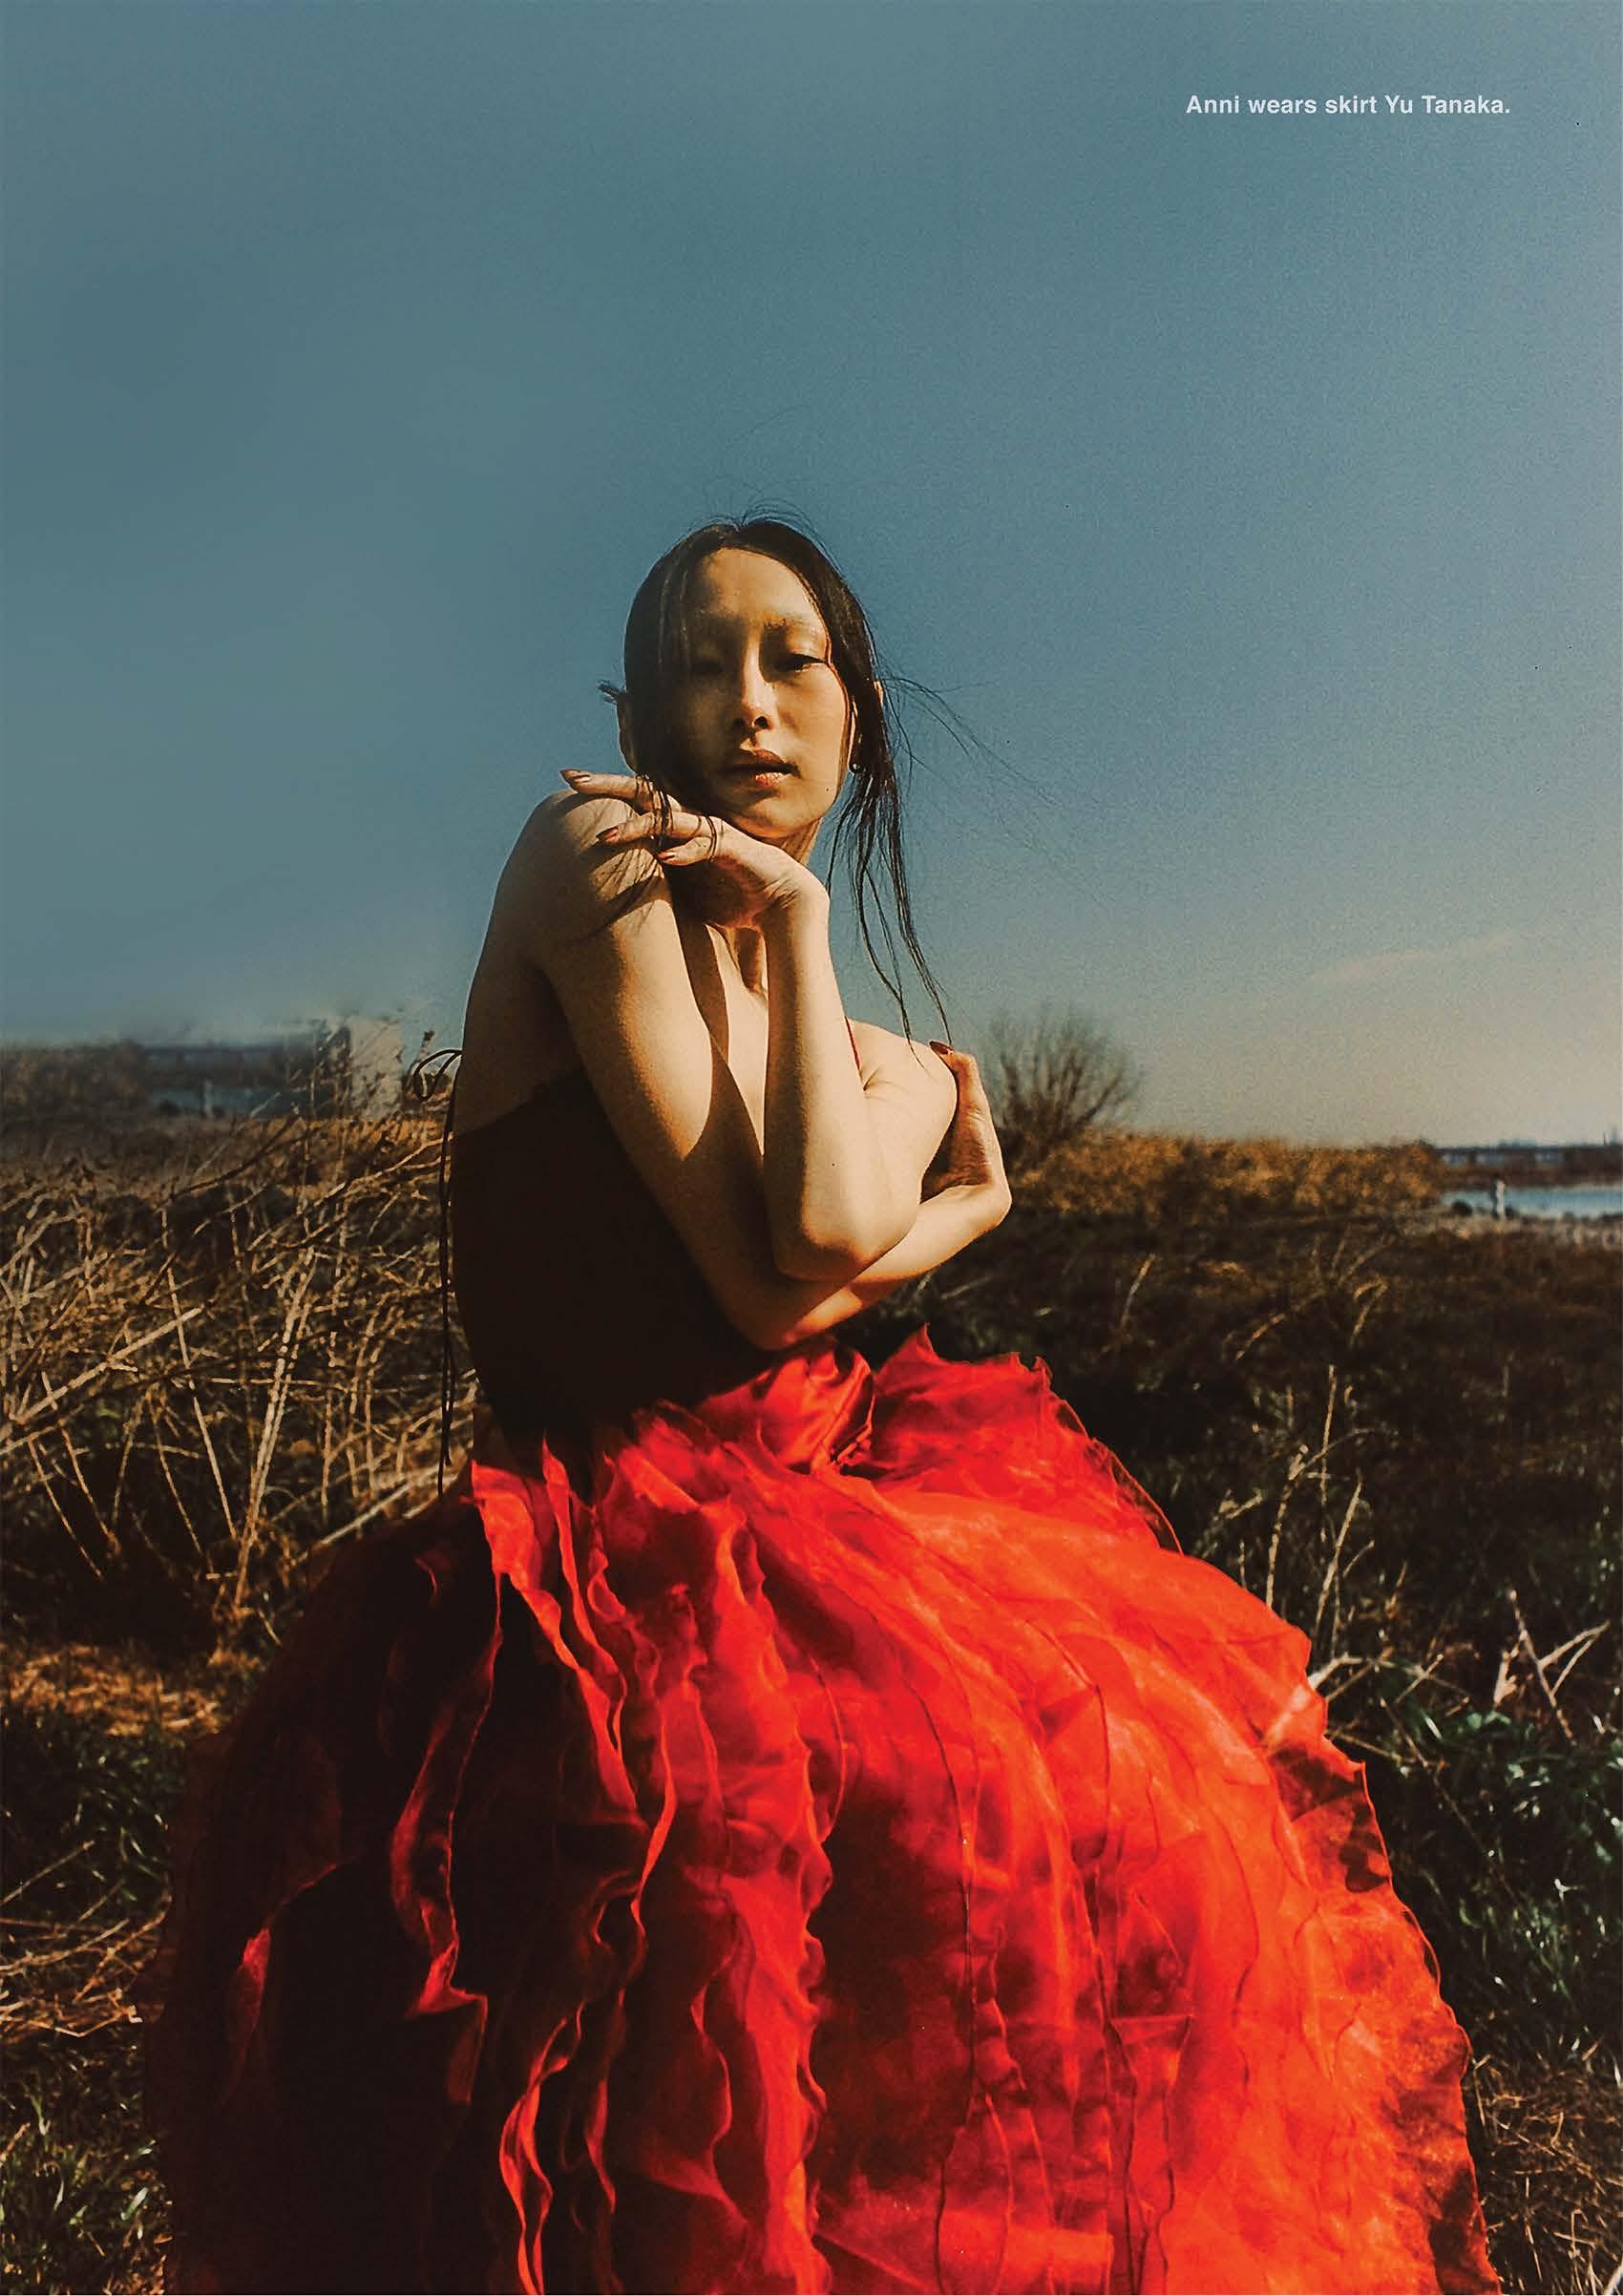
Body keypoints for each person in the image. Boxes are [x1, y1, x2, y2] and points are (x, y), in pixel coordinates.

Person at [144, 518, 1499, 2296]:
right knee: (643, 2073)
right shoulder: (590, 858)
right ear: (632, 717)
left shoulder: (869, 1047)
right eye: (697, 664)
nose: (748, 704)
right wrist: (970, 1211)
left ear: (858, 711)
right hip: (596, 1545)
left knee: (1121, 1838)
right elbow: (775, 1283)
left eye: (792, 661)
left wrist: (797, 928)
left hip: (815, 1504)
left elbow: (819, 1227)